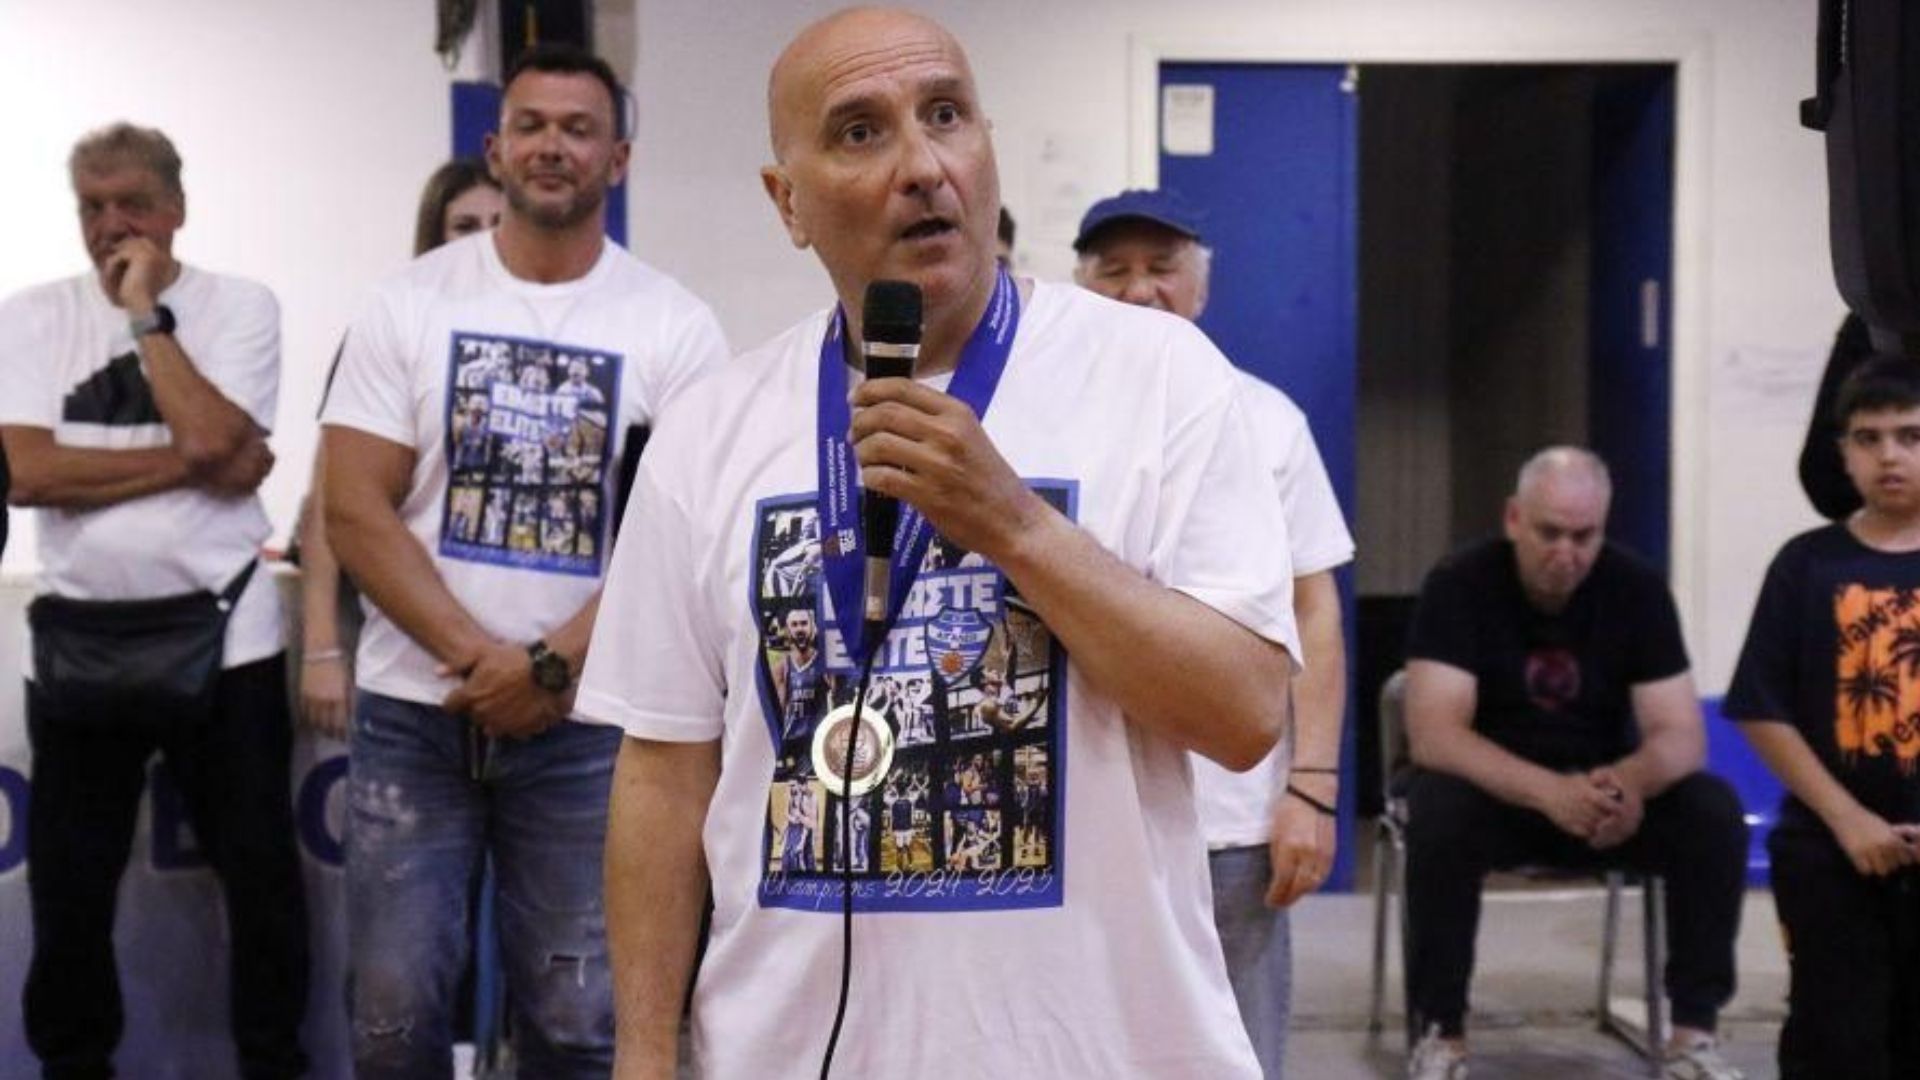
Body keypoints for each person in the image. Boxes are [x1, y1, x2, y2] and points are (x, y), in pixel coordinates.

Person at [579, 8, 1298, 1077]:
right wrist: (642, 1056)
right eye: (860, 131)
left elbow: (1242, 714)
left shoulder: (1161, 375)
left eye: (947, 115)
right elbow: (663, 773)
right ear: (787, 202)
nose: (922, 165)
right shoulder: (707, 429)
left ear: (987, 146)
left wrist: (1016, 524)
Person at [320, 44, 728, 1077]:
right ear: (496, 149)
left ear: (618, 159)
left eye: (578, 129)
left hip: (588, 725)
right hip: (417, 713)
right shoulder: (408, 304)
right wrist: (483, 660)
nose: (553, 146)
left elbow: (680, 539)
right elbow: (354, 507)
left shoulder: (675, 328)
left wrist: (548, 666)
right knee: (392, 1016)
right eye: (533, 125)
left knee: (578, 1019)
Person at [0, 122, 308, 1080]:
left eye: (132, 202)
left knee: (261, 880)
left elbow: (217, 440)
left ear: (176, 208)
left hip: (227, 634)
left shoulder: (240, 306)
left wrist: (144, 316)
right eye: (92, 206)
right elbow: (26, 472)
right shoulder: (29, 316)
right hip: (80, 640)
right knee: (70, 894)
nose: (111, 224)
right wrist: (200, 465)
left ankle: (271, 1064)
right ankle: (74, 1066)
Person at [1073, 186, 1354, 1078]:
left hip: (1232, 818)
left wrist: (1311, 787)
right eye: (1114, 271)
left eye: (1161, 268)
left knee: (1238, 1052)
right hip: (1082, 812)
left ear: (1201, 286)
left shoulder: (1267, 421)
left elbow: (1314, 610)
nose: (1139, 289)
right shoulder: (1045, 419)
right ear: (1079, 286)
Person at [1400, 447, 1747, 1080]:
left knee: (1711, 811)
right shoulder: (1458, 583)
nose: (1567, 552)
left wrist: (1628, 784)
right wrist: (1548, 793)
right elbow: (1435, 736)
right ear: (1514, 519)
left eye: (1584, 537)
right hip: (1496, 794)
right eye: (1550, 533)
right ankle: (1440, 1031)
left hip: (1598, 798)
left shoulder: (1637, 588)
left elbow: (1681, 735)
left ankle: (1693, 1034)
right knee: (1438, 812)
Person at [1724, 355, 1920, 1079]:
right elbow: (1761, 707)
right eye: (1869, 438)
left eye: (1910, 436)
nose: (1889, 456)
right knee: (1835, 1042)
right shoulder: (1806, 565)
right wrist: (1848, 820)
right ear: (1843, 453)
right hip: (1829, 851)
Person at [298, 159, 504, 739]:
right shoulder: (391, 324)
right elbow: (330, 500)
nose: (483, 239)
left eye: (498, 222)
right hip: (406, 663)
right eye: (464, 225)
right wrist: (320, 647)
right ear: (433, 235)